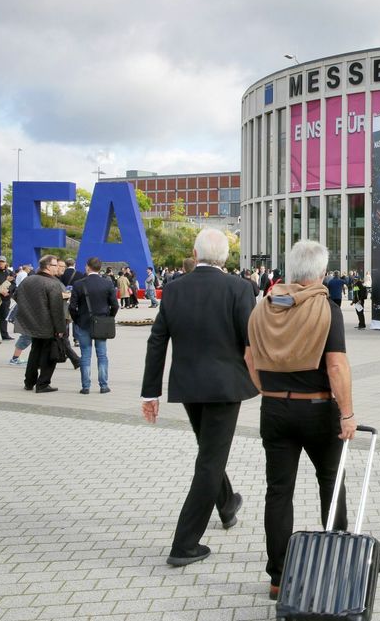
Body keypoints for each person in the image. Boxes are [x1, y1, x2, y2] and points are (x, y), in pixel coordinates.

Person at [245, 239, 357, 600]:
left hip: (275, 409)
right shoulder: (326, 309)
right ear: (322, 273)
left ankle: (278, 577)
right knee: (332, 484)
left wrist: (266, 389)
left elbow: (249, 358)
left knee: (279, 492)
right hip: (318, 407)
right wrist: (348, 413)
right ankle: (338, 566)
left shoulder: (264, 307)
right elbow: (336, 365)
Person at [140, 229, 255, 567]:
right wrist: (264, 380)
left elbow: (157, 340)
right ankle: (184, 543)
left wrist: (151, 392)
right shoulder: (240, 288)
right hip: (225, 388)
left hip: (189, 386)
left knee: (209, 452)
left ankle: (227, 504)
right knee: (209, 462)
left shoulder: (175, 288)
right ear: (226, 258)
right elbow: (251, 341)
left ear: (194, 251)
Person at [15, 255, 68, 393]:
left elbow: (16, 295)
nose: (58, 267)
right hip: (48, 324)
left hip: (32, 323)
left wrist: (30, 308)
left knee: (35, 352)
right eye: (56, 265)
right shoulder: (53, 283)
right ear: (48, 267)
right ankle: (43, 383)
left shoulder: (29, 279)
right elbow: (56, 309)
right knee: (51, 354)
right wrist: (61, 329)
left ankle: (29, 382)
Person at [68, 257, 120, 394]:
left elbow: (72, 307)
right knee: (102, 355)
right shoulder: (107, 284)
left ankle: (86, 386)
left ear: (87, 267)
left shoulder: (79, 284)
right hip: (101, 324)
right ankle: (103, 385)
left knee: (85, 355)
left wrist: (77, 320)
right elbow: (115, 305)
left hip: (84, 323)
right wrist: (109, 317)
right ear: (99, 267)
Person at [0, 256, 15, 339]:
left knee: (4, 316)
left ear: (6, 263)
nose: (1, 263)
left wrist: (8, 290)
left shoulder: (9, 272)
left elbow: (13, 284)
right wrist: (1, 291)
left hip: (6, 298)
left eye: (2, 262)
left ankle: (4, 334)